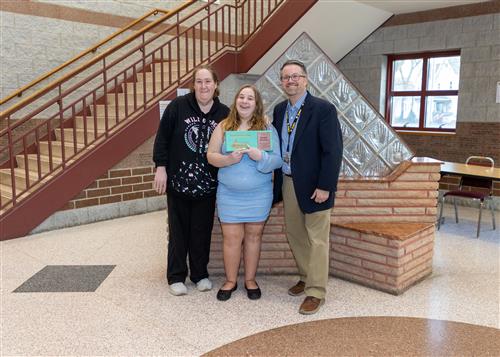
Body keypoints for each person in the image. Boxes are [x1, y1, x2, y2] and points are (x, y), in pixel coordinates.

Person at [272, 60, 343, 315]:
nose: (290, 81)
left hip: (316, 186)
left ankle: (316, 291)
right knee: (296, 234)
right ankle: (305, 275)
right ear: (282, 82)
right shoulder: (280, 110)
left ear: (306, 79)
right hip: (289, 182)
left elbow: (333, 151)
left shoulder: (323, 109)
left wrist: (325, 186)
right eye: (286, 77)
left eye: (295, 76)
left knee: (317, 238)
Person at [153, 65, 230, 296]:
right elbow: (162, 138)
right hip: (178, 183)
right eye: (199, 82)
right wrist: (161, 168)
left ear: (216, 85)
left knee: (201, 231)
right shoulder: (178, 107)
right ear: (193, 85)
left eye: (208, 81)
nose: (203, 86)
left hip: (207, 186)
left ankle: (200, 274)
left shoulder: (225, 113)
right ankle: (176, 276)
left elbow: (239, 136)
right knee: (178, 232)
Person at [207, 85, 282, 301]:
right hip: (229, 195)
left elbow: (276, 160)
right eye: (241, 97)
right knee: (231, 238)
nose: (245, 101)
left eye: (250, 98)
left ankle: (250, 280)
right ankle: (230, 281)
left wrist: (261, 157)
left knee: (253, 236)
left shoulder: (267, 128)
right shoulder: (224, 126)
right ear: (235, 101)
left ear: (256, 103)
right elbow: (211, 155)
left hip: (259, 195)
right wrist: (228, 159)